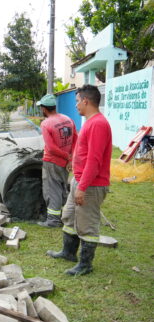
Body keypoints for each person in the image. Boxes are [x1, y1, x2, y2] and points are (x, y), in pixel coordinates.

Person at [46, 85, 112, 276]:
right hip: (80, 180)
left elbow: (95, 160)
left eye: (76, 101)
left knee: (87, 224)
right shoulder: (90, 122)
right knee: (69, 216)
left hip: (90, 185)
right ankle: (68, 252)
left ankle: (85, 264)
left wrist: (82, 187)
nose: (75, 105)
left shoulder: (98, 124)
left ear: (86, 100)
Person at [36, 93, 77, 228]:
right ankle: (66, 214)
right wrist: (70, 157)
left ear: (44, 108)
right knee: (62, 187)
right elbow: (76, 139)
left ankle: (53, 220)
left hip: (52, 162)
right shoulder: (68, 119)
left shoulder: (46, 124)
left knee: (52, 190)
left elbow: (52, 148)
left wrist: (67, 156)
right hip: (65, 163)